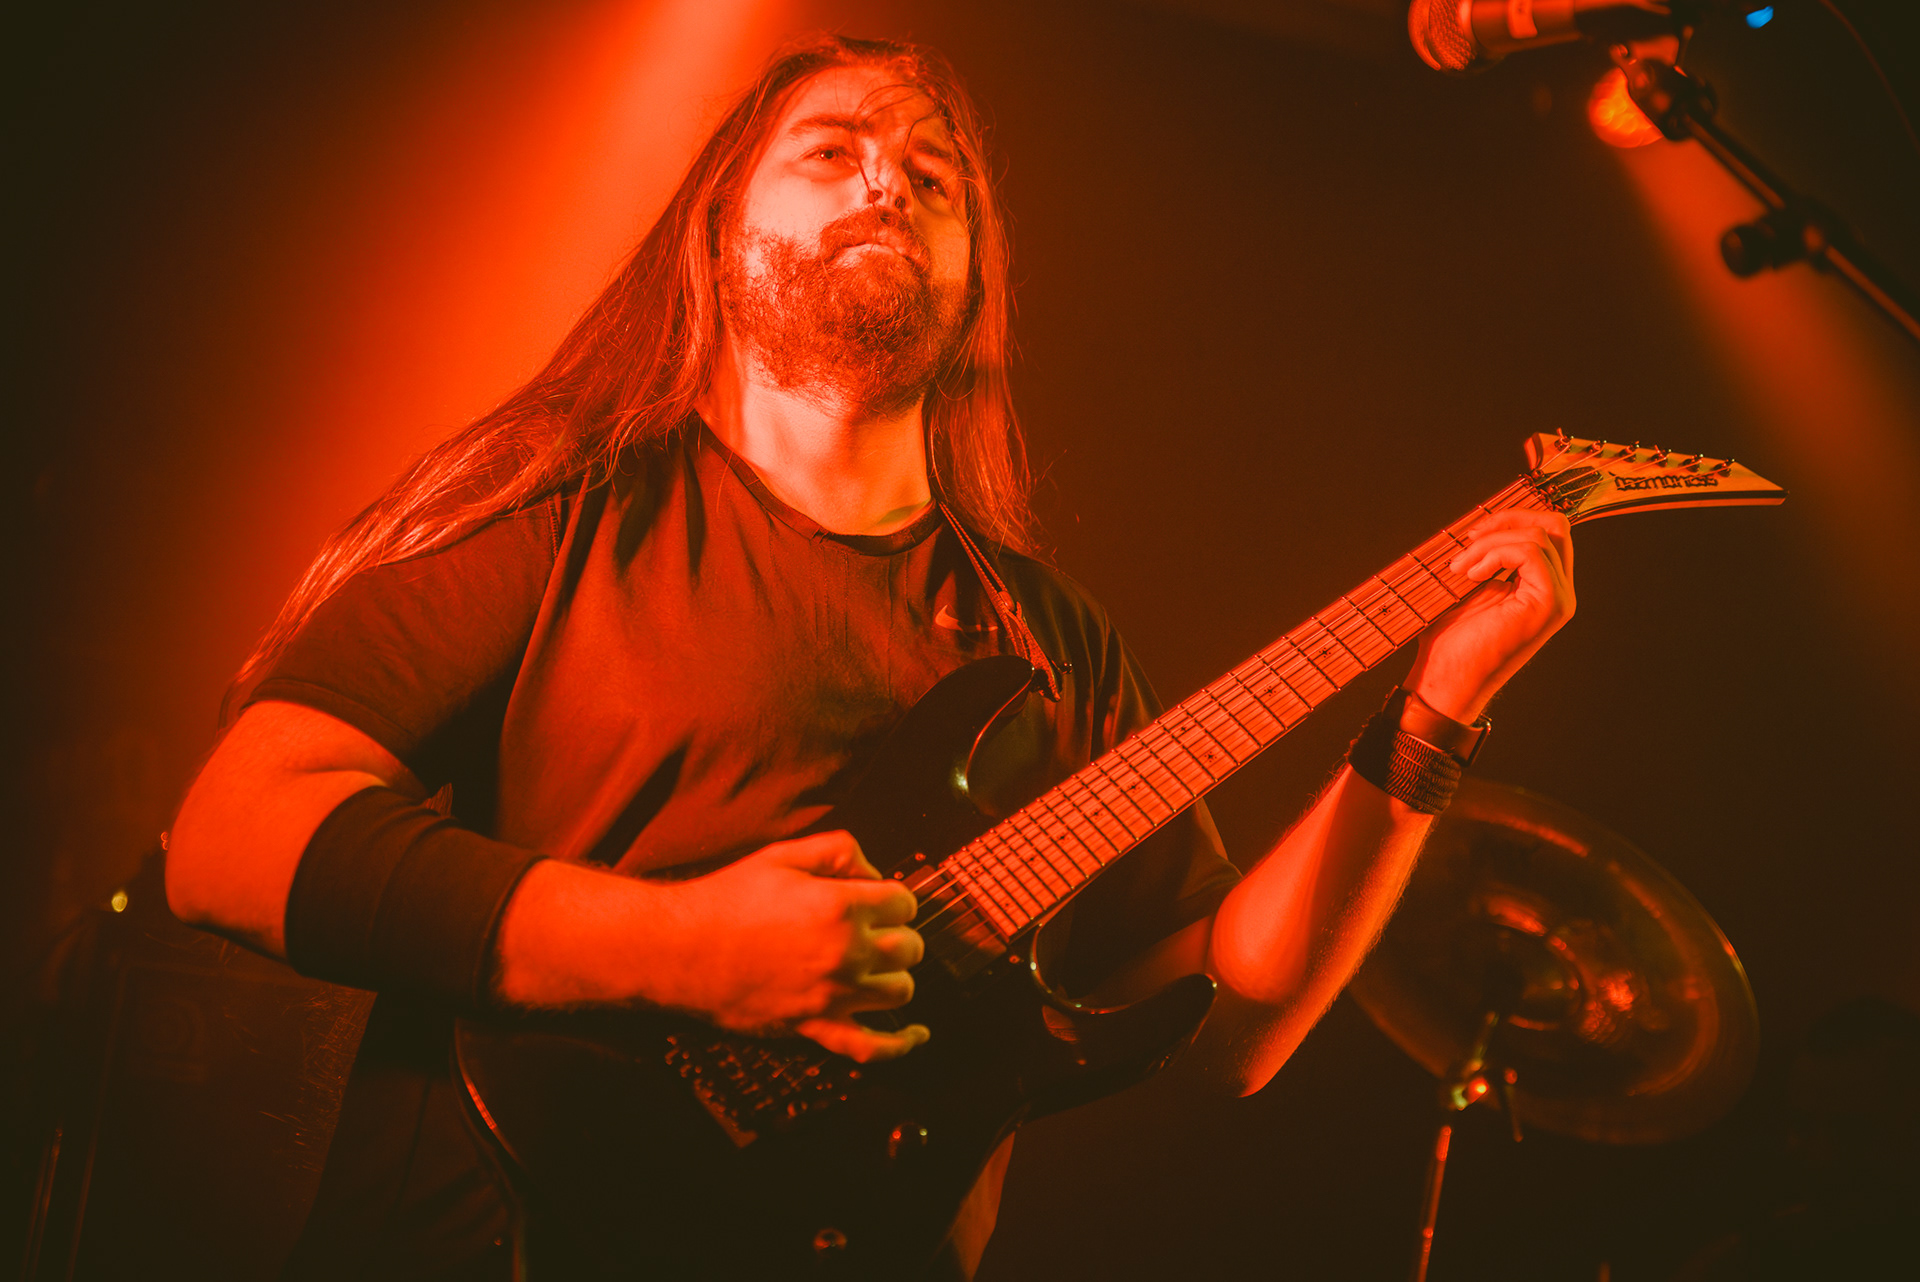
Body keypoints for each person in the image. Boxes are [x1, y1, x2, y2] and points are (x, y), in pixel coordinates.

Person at [164, 33, 1575, 1282]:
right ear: (719, 229)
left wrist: (1436, 711)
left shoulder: (1047, 639)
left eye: (932, 174)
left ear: (977, 278)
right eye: (830, 152)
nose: (887, 184)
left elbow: (1229, 1025)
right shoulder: (569, 510)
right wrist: (687, 953)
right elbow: (229, 838)